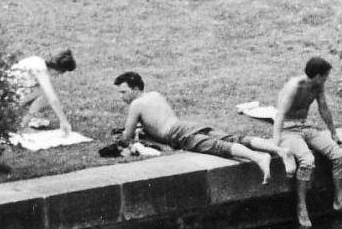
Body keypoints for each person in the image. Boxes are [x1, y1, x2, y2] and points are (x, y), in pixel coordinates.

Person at [111, 71, 283, 183]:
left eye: (123, 92)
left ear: (135, 89)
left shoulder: (136, 105)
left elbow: (126, 137)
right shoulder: (155, 95)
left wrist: (126, 136)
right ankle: (279, 150)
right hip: (186, 126)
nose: (121, 97)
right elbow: (156, 120)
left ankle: (259, 158)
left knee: (220, 147)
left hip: (179, 135)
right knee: (234, 138)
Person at [271, 57, 342, 228]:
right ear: (317, 76)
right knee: (308, 161)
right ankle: (301, 207)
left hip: (306, 127)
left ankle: (339, 200)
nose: (326, 80)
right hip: (288, 130)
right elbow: (279, 115)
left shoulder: (318, 86)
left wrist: (333, 133)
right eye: (325, 76)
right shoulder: (294, 86)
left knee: (340, 155)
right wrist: (275, 145)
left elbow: (323, 108)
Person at [14, 49, 78, 135]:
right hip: (8, 98)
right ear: (58, 69)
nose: (57, 76)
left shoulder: (37, 60)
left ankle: (20, 121)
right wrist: (64, 121)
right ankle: (22, 127)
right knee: (45, 94)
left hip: (6, 95)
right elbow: (52, 99)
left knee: (41, 91)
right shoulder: (41, 70)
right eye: (59, 73)